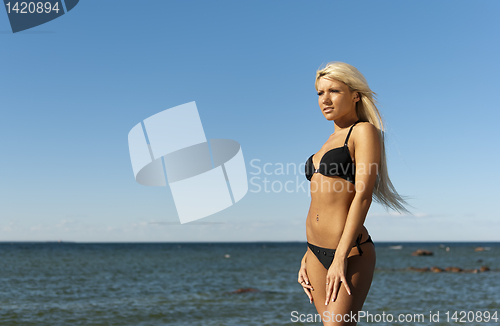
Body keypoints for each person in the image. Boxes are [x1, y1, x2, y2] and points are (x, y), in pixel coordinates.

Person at [298, 62, 409, 325]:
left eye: (334, 91)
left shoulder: (363, 132)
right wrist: (306, 255)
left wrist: (339, 258)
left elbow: (363, 196)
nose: (325, 99)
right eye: (319, 93)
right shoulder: (327, 142)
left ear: (355, 94)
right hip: (314, 252)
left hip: (349, 252)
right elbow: (319, 203)